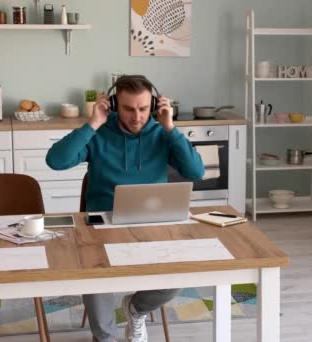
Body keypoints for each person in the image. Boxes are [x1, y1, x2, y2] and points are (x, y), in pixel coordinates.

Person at [46, 75, 205, 342]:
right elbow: (55, 161)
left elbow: (196, 171)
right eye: (128, 109)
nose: (137, 116)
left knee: (180, 272)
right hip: (101, 225)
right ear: (113, 105)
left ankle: (135, 308)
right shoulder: (99, 133)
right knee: (93, 272)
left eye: (143, 109)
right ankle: (105, 338)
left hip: (152, 223)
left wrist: (171, 128)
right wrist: (93, 122)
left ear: (153, 105)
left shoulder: (161, 133)